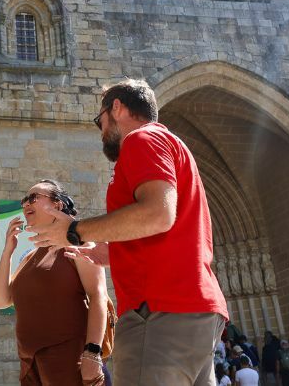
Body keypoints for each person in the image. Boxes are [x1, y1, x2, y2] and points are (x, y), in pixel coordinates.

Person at [28, 79, 229, 385]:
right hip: (195, 313)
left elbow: (158, 214)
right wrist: (111, 253)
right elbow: (167, 230)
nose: (101, 131)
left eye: (101, 120)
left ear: (117, 108)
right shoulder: (171, 145)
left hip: (159, 313)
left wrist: (75, 231)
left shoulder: (141, 139)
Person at [0, 180, 110, 385]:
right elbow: (2, 300)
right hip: (30, 365)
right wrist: (8, 252)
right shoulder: (29, 256)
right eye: (24, 200)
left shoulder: (80, 243)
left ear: (57, 205)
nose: (26, 204)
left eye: (33, 198)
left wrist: (93, 353)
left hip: (70, 361)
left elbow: (98, 295)